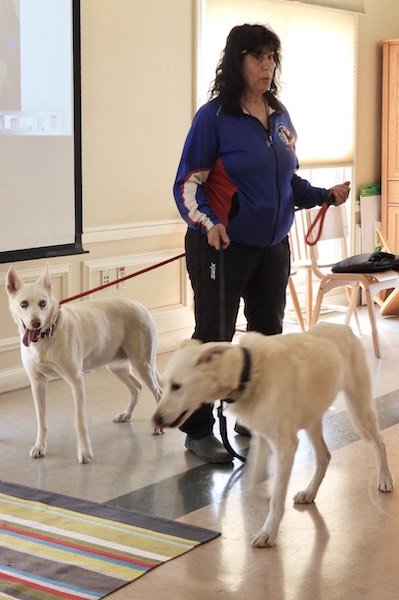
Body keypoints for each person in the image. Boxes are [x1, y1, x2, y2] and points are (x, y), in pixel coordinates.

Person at [173, 23, 350, 464]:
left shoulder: (280, 114)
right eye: (258, 56)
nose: (267, 65)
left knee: (266, 337)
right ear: (238, 61)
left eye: (272, 56)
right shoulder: (213, 118)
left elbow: (288, 181)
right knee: (214, 338)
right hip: (222, 245)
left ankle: (252, 419)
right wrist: (209, 224)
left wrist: (323, 195)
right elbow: (187, 187)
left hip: (273, 246)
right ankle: (197, 430)